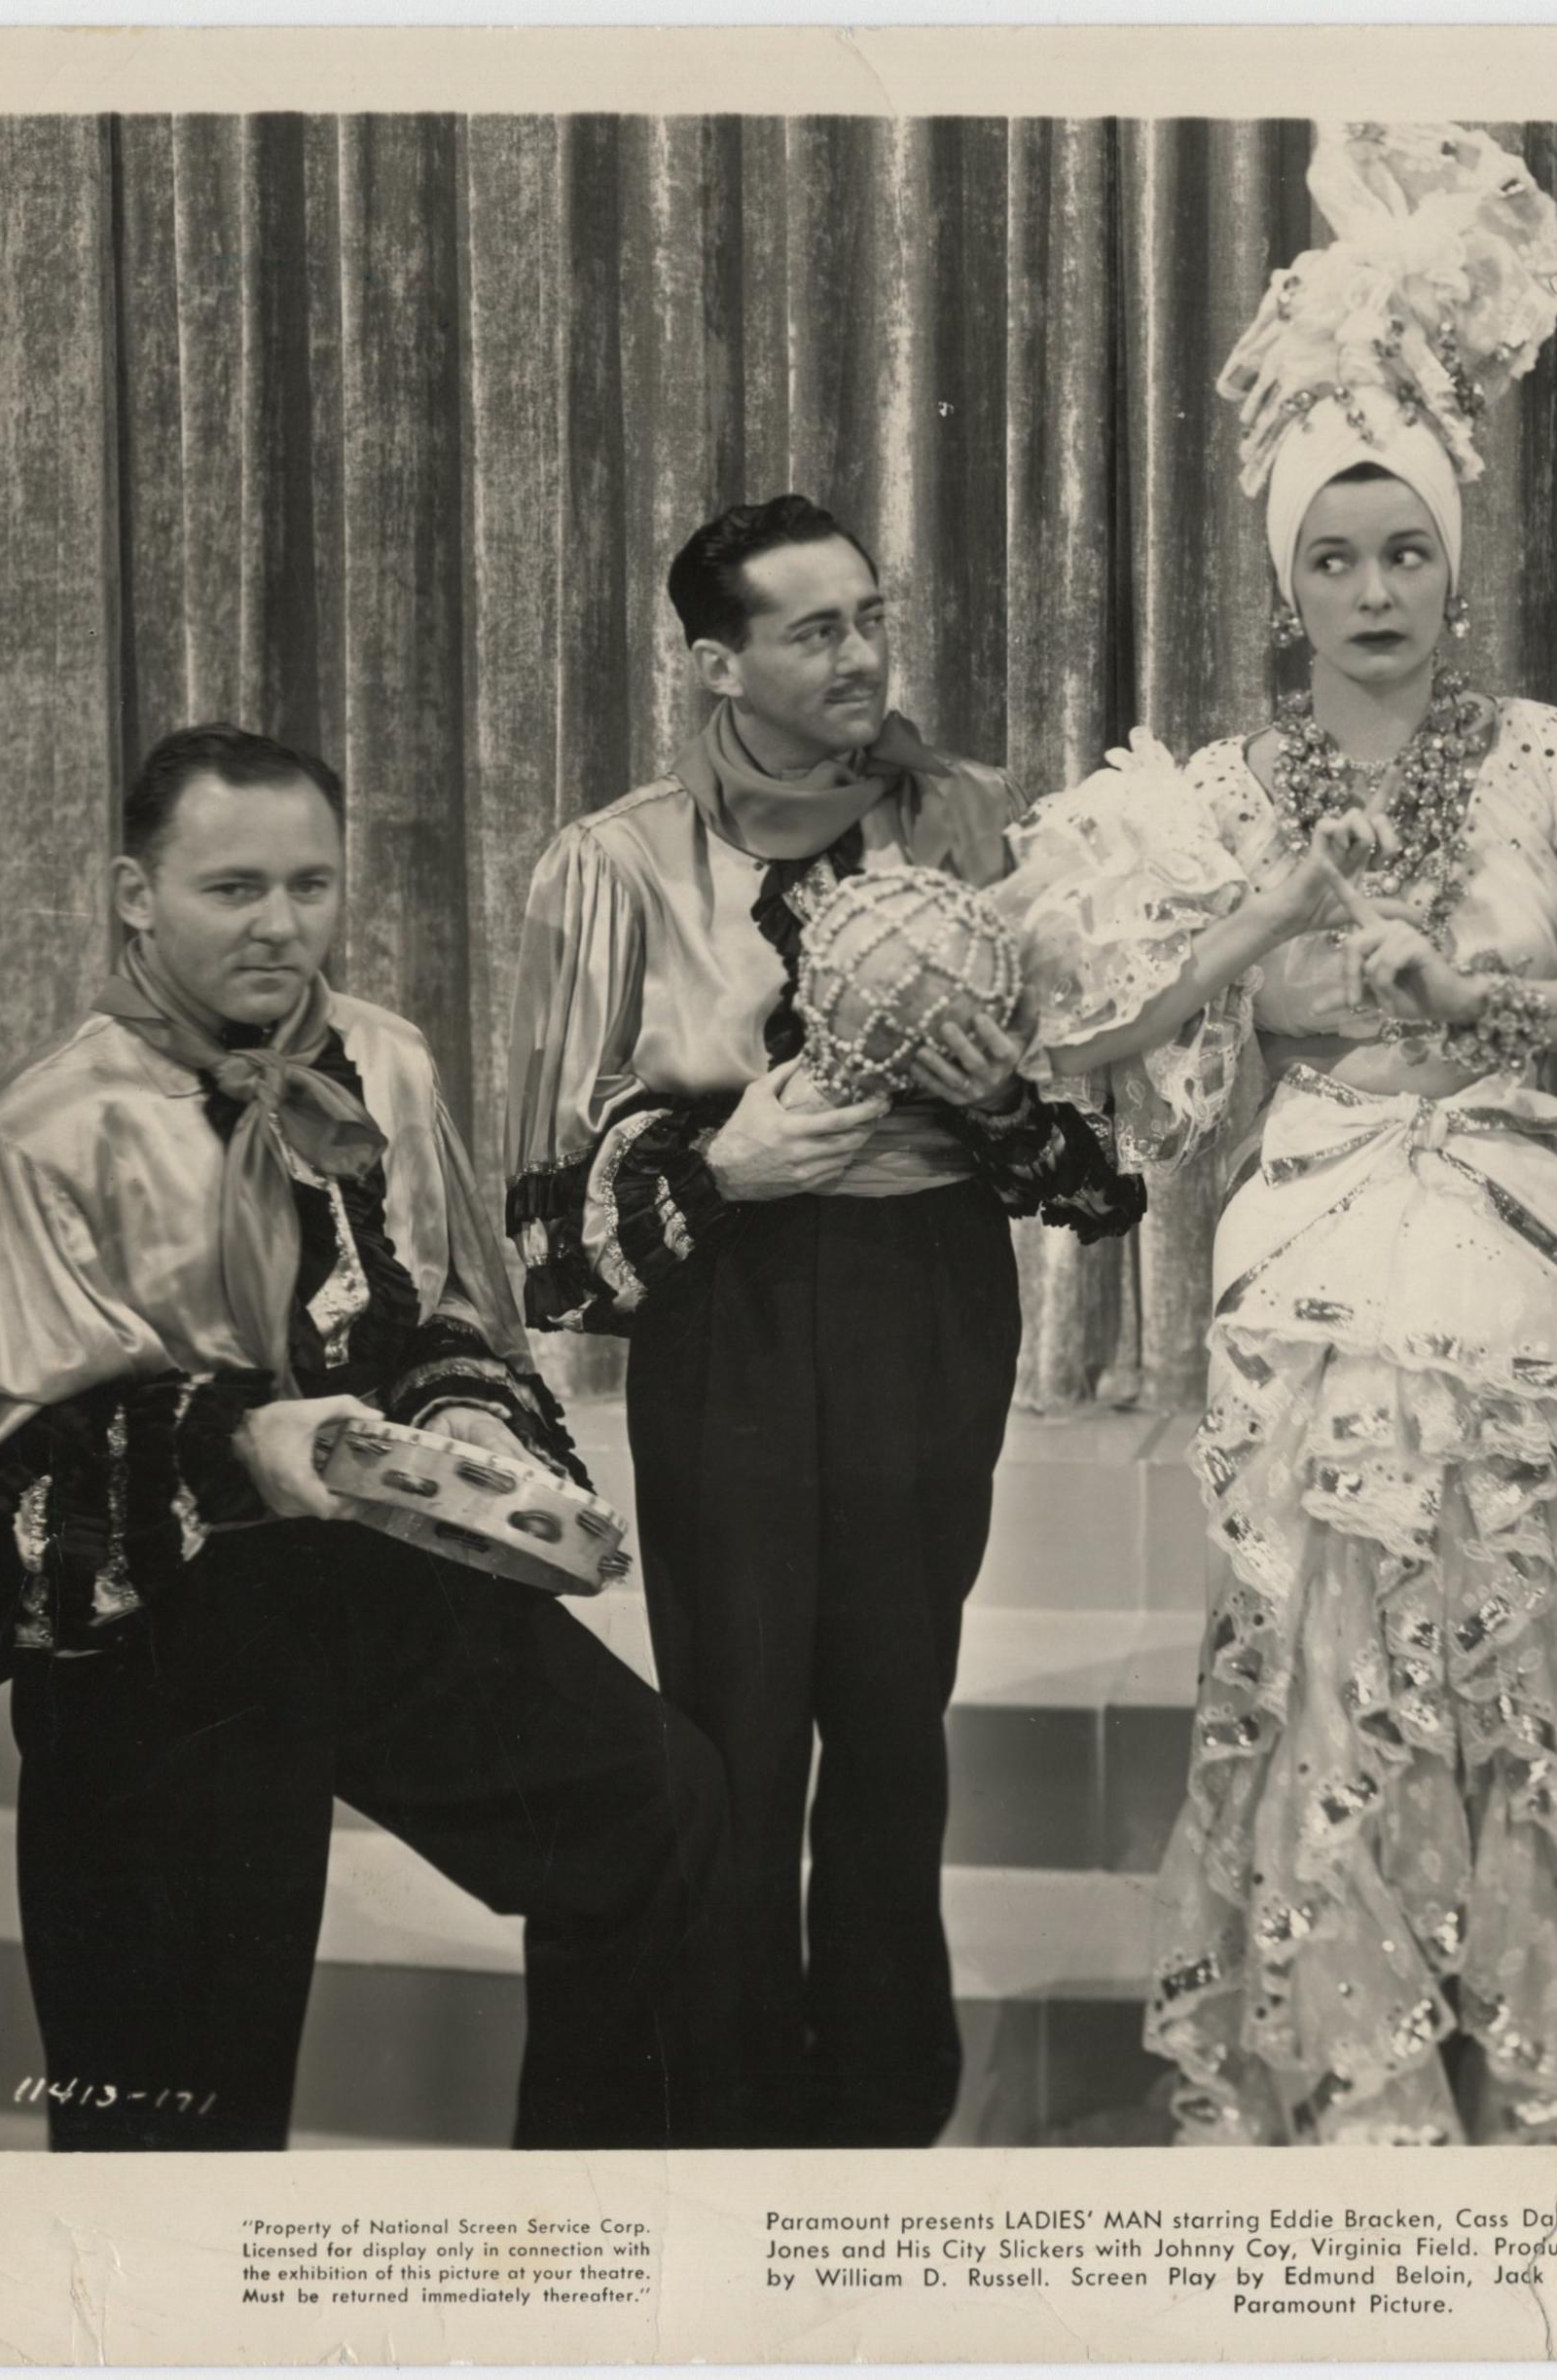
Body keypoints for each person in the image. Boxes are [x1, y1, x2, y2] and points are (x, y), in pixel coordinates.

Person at [999, 123, 1557, 2146]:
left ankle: (1534, 2057)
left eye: (1404, 553)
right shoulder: (1226, 787)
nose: (1372, 590)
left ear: (1453, 565)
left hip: (1506, 1216)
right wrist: (1268, 924)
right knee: (1314, 1636)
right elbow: (1106, 1026)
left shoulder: (1550, 756)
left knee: (1518, 1625)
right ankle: (1351, 2063)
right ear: (1284, 576)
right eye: (1333, 556)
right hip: (1309, 1223)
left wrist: (1477, 999)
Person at [0, 724, 732, 2152]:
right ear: (135, 895)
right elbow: (4, 1473)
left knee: (658, 1808)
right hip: (162, 1633)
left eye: (309, 885)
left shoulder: (382, 1055)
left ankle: (576, 2231)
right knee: (179, 2107)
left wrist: (455, 1406)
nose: (282, 923)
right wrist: (246, 1445)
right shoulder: (40, 1127)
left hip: (372, 1568)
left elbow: (447, 1302)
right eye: (233, 888)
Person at [506, 494, 1143, 2149]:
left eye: (871, 616)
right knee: (731, 1725)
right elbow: (547, 1226)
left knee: (891, 1712)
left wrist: (1000, 1101)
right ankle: (725, 2109)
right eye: (815, 629)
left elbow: (1092, 1153)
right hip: (730, 1313)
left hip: (927, 1295)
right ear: (715, 663)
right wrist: (721, 1167)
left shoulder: (970, 824)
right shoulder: (614, 863)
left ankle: (879, 2105)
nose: (862, 654)